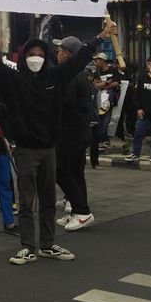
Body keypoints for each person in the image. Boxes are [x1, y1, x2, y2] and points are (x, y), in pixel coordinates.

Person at [0, 20, 115, 265]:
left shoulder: (56, 77)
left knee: (49, 201)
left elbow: (80, 58)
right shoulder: (14, 79)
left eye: (40, 54)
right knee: (27, 202)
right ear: (24, 57)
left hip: (50, 148)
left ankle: (48, 245)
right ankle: (28, 247)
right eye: (32, 54)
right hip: (26, 150)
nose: (36, 58)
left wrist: (101, 36)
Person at [52, 37, 95, 231]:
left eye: (59, 50)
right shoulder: (80, 73)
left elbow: (66, 103)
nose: (57, 53)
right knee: (76, 172)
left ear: (67, 53)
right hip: (80, 130)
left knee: (60, 170)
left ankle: (82, 211)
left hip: (71, 130)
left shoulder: (71, 75)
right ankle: (76, 212)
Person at [92, 53, 122, 152]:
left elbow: (116, 82)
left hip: (110, 99)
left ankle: (105, 139)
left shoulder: (113, 70)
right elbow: (95, 84)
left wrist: (105, 86)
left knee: (106, 121)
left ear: (102, 60)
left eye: (97, 60)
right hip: (100, 99)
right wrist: (106, 83)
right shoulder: (97, 72)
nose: (95, 62)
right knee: (100, 120)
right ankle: (102, 139)